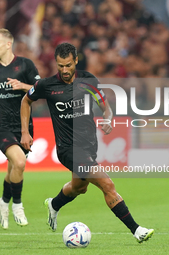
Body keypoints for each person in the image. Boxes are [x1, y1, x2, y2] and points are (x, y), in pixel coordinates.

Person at [20, 43, 154, 243]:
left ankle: (54, 205)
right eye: (60, 66)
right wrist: (25, 132)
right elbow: (26, 101)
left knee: (79, 188)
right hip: (67, 149)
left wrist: (108, 119)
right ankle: (137, 230)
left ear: (75, 61)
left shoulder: (88, 81)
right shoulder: (47, 86)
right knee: (107, 184)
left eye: (68, 65)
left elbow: (105, 107)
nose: (64, 70)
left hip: (89, 145)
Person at [0, 28, 40, 229]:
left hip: (24, 126)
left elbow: (40, 90)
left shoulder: (25, 65)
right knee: (19, 163)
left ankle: (3, 201)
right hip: (1, 126)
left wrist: (22, 86)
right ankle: (17, 205)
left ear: (8, 44)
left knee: (13, 168)